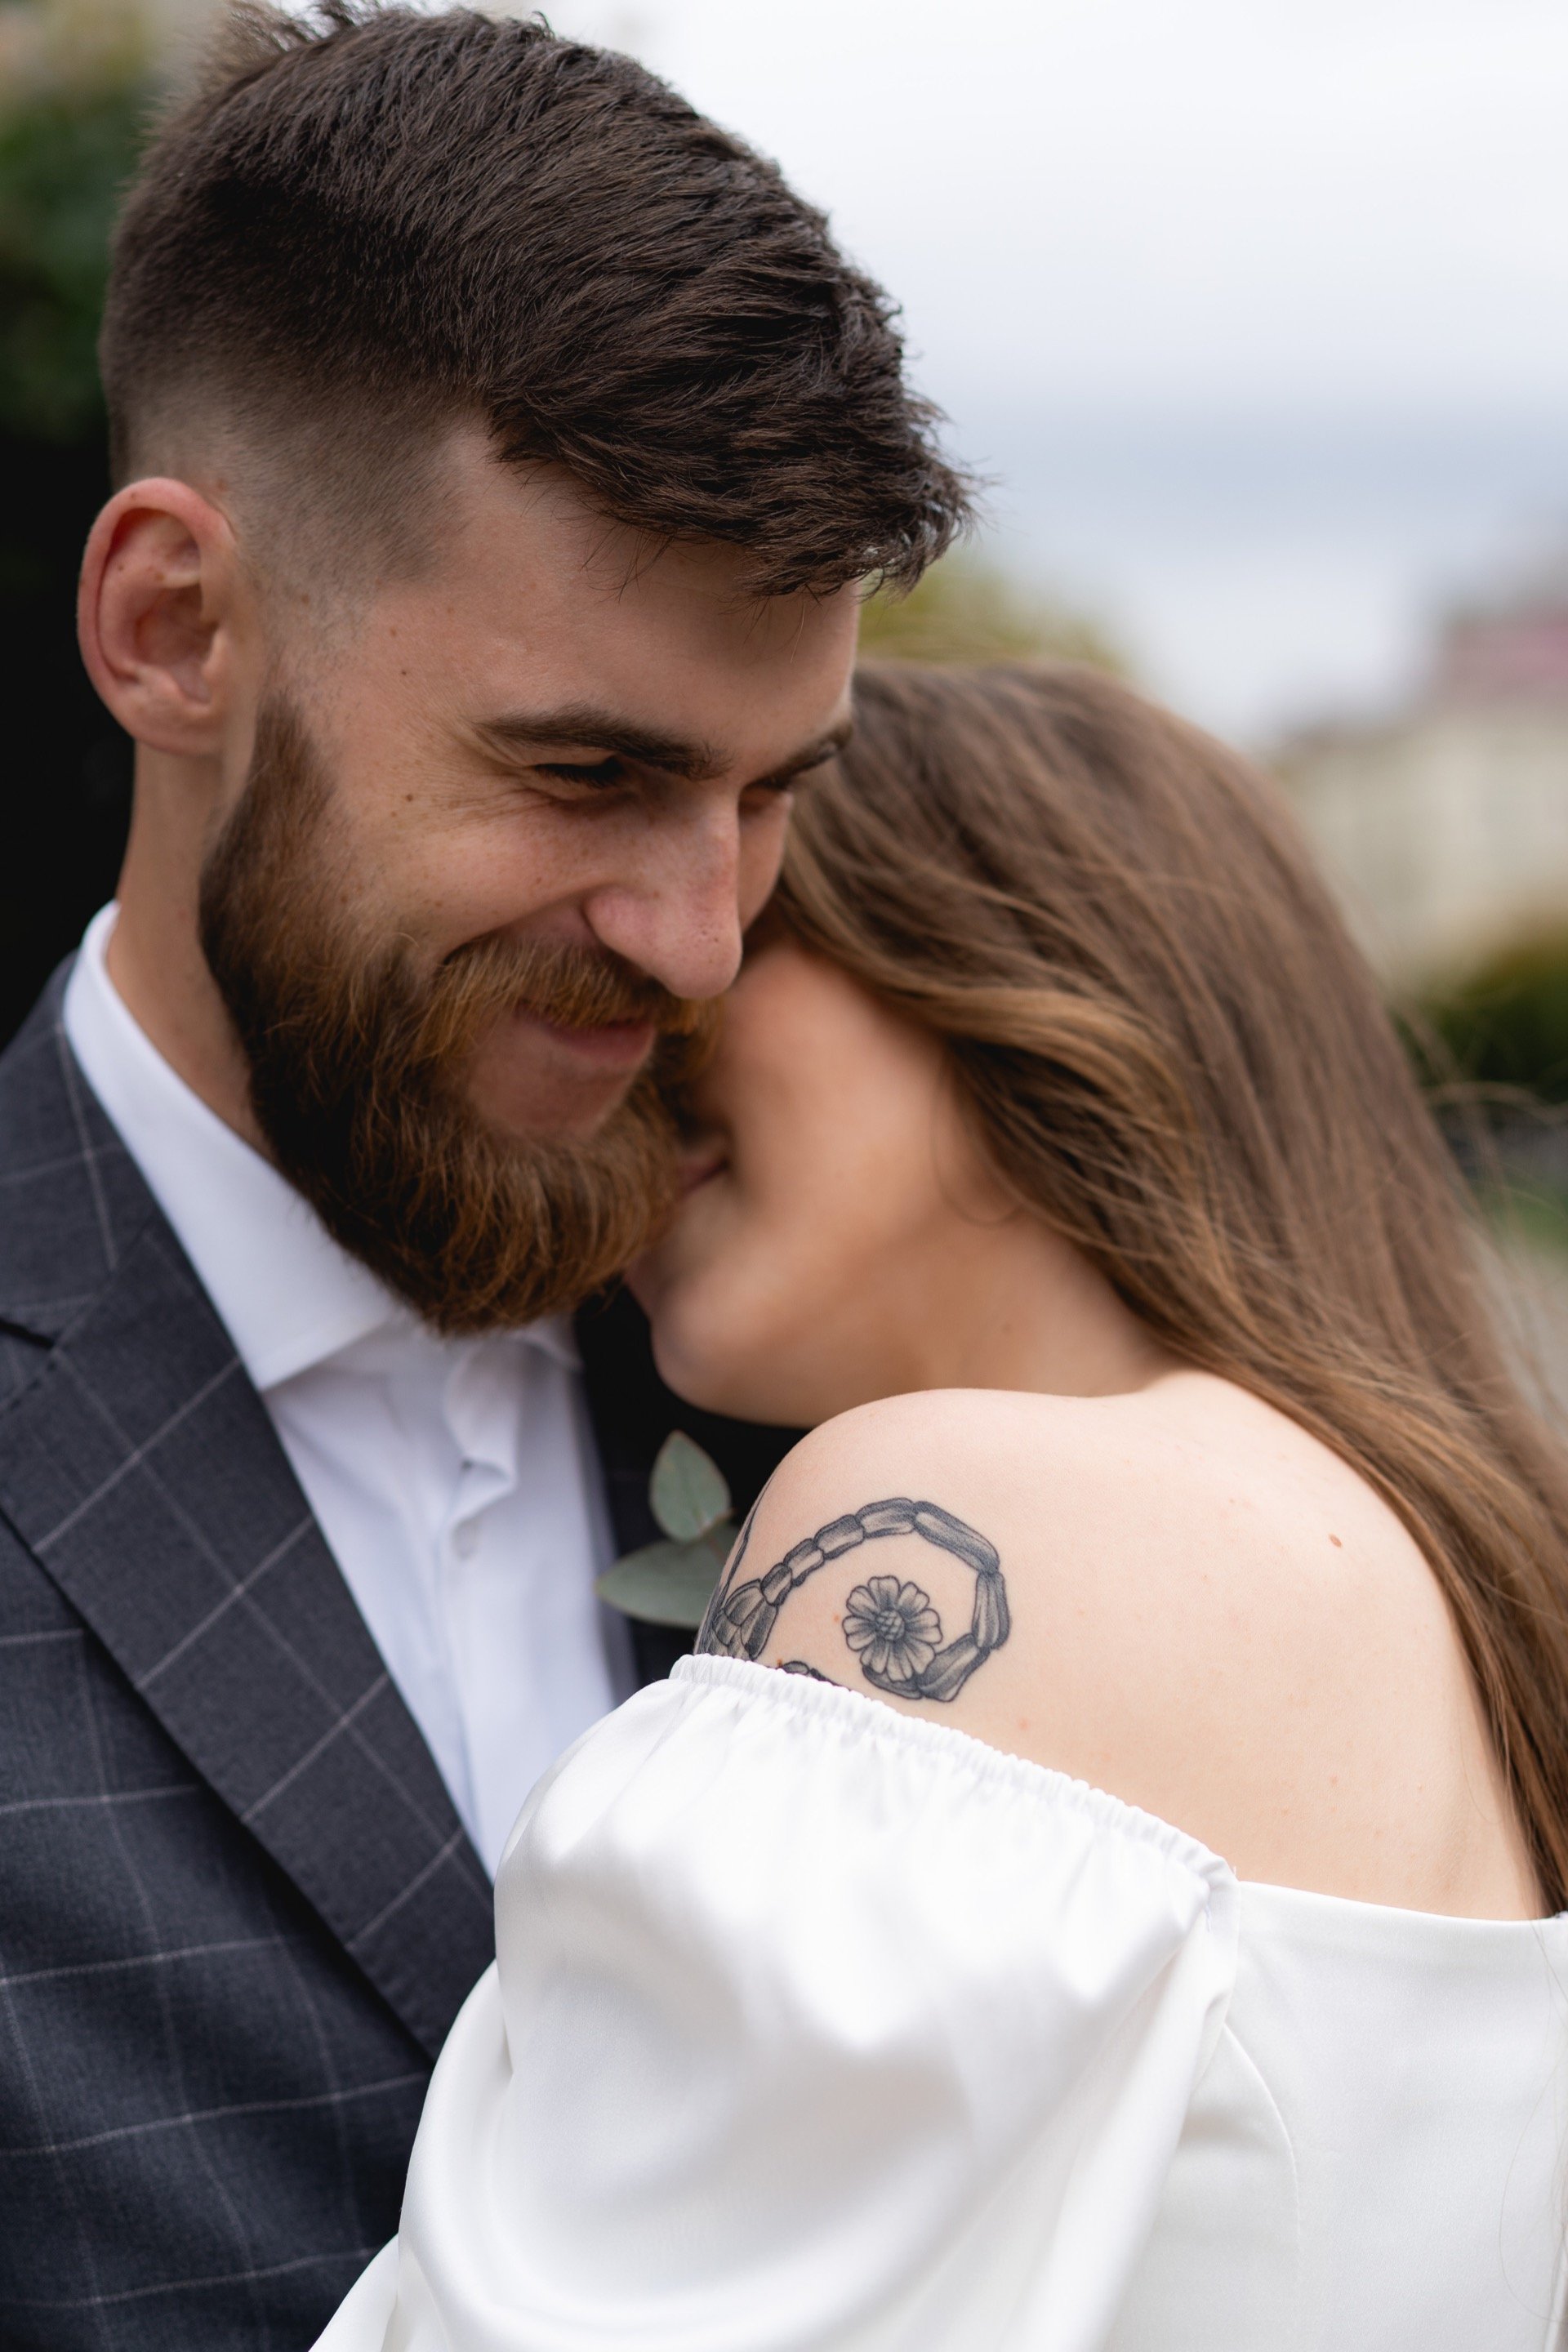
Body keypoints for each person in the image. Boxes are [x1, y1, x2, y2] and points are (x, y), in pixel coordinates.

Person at [0, 7, 969, 2343]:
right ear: (174, 629)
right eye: (583, 771)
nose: (701, 935)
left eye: (765, 790)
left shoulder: (851, 1381)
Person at [319, 662, 1568, 2350]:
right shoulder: (1430, 1570)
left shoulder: (968, 1516)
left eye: (766, 913)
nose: (660, 997)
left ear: (1020, 966)